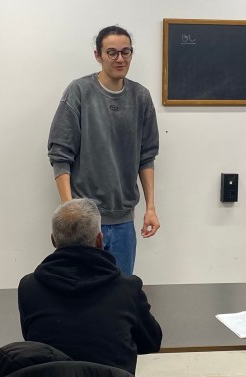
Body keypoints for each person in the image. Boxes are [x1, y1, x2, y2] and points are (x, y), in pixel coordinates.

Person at [47, 25, 160, 275]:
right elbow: (60, 156)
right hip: (84, 223)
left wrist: (150, 208)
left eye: (125, 52)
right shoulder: (79, 92)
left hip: (123, 221)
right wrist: (71, 211)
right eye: (112, 52)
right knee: (81, 291)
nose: (120, 59)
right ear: (98, 55)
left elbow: (147, 156)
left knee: (120, 290)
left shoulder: (141, 97)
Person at [18, 198, 162, 375]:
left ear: (53, 240)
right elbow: (151, 342)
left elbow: (31, 338)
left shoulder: (29, 287)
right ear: (100, 240)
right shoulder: (128, 288)